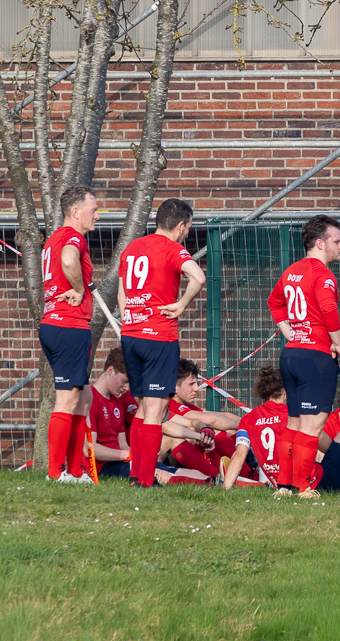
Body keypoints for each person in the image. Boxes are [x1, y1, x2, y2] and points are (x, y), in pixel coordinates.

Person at [119, 198, 206, 487]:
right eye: (188, 228)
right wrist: (181, 304)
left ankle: (135, 475)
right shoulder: (172, 249)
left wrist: (129, 319)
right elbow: (198, 277)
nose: (188, 234)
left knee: (143, 409)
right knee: (156, 412)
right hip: (158, 336)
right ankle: (145, 480)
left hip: (131, 333)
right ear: (180, 225)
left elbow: (122, 294)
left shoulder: (132, 248)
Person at [267, 214, 340, 498]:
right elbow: (328, 309)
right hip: (315, 357)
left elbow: (274, 301)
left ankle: (284, 486)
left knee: (293, 423)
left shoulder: (292, 271)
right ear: (319, 243)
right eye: (336, 241)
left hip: (291, 355)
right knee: (311, 427)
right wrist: (338, 343)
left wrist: (287, 330)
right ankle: (302, 487)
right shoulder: (322, 274)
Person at [39, 185, 100, 483]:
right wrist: (78, 288)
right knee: (67, 398)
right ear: (76, 212)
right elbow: (67, 260)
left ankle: (76, 471)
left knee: (83, 397)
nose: (97, 216)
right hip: (68, 324)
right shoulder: (71, 237)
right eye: (93, 210)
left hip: (54, 323)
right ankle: (56, 472)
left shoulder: (52, 239)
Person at [90, 348, 212, 485]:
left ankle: (216, 479)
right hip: (104, 467)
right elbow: (91, 449)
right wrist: (127, 455)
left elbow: (122, 443)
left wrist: (134, 457)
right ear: (111, 371)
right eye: (125, 381)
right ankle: (212, 483)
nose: (127, 387)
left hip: (124, 460)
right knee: (159, 474)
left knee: (184, 471)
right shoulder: (91, 400)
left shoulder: (117, 402)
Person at [163, 359, 243, 479]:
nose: (197, 388)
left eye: (196, 383)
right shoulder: (172, 404)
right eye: (191, 384)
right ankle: (222, 477)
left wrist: (248, 423)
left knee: (220, 430)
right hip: (159, 459)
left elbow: (222, 415)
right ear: (174, 387)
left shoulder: (185, 405)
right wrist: (249, 426)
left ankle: (235, 474)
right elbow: (211, 419)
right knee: (210, 431)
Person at [223, 367, 289, 489]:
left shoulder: (248, 419)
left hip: (276, 481)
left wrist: (226, 487)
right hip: (299, 479)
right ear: (285, 390)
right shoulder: (292, 414)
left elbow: (240, 454)